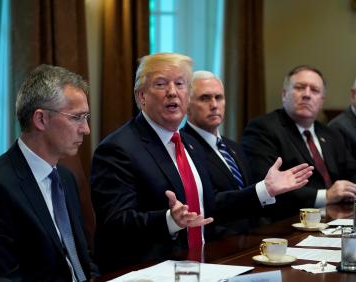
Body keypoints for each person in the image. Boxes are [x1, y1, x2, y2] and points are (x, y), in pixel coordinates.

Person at [91, 53, 312, 272]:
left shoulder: (188, 143)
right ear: (141, 97)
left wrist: (265, 190)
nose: (172, 92)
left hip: (201, 264)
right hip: (148, 270)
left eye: (180, 84)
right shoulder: (118, 148)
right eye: (160, 84)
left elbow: (211, 207)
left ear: (187, 96)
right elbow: (115, 224)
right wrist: (170, 220)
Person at [0, 65, 98, 281]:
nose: (86, 129)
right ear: (41, 119)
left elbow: (82, 258)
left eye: (85, 117)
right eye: (77, 117)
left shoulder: (66, 179)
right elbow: (5, 276)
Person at [183, 71, 313, 234]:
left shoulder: (233, 147)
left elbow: (252, 206)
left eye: (219, 97)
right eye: (205, 98)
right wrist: (264, 189)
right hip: (218, 243)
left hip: (252, 239)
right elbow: (210, 203)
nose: (214, 105)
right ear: (186, 105)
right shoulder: (183, 146)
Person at [242, 65, 356, 218]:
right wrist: (326, 196)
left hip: (337, 220)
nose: (307, 95)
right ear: (284, 94)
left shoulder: (331, 134)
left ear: (321, 101)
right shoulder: (263, 129)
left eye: (314, 90)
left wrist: (355, 190)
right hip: (289, 223)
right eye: (300, 87)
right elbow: (268, 186)